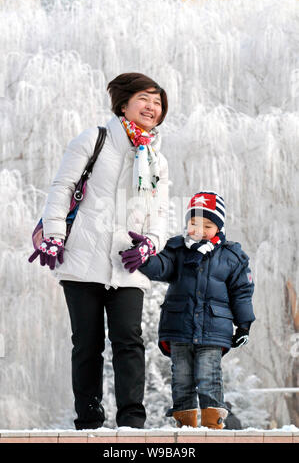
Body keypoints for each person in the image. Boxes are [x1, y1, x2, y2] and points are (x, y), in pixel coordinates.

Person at [28, 73, 169, 430]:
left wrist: (151, 242)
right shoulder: (94, 140)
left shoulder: (156, 160)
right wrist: (55, 234)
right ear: (124, 104)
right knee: (87, 345)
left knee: (129, 341)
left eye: (158, 102)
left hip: (127, 263)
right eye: (144, 99)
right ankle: (88, 422)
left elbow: (160, 213)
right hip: (81, 259)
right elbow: (62, 187)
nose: (152, 107)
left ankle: (132, 423)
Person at [121, 191, 255, 429]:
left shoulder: (231, 256)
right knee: (181, 378)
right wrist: (144, 258)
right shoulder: (177, 250)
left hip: (213, 329)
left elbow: (241, 292)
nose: (199, 229)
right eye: (194, 223)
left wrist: (244, 325)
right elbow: (161, 266)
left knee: (208, 376)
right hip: (179, 328)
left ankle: (213, 424)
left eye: (207, 224)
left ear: (219, 227)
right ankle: (185, 425)